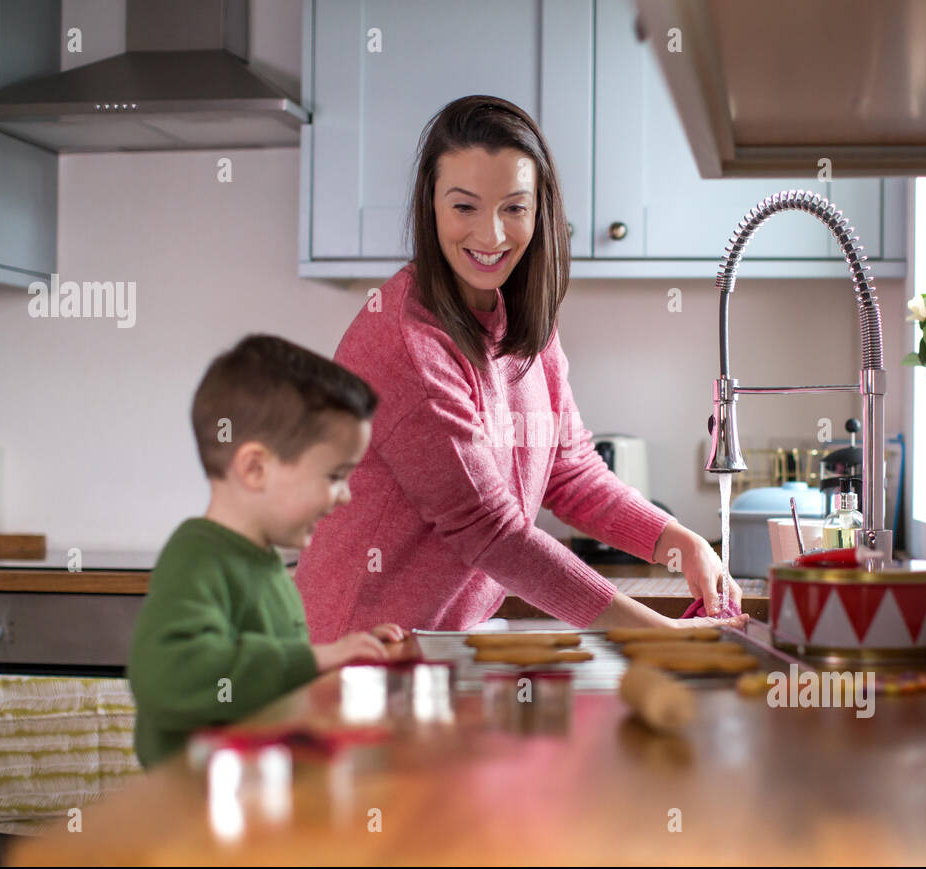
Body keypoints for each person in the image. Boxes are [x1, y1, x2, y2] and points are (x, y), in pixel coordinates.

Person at [296, 95, 747, 644]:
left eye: (513, 207)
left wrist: (683, 544)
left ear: (540, 210)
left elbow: (571, 471)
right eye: (465, 207)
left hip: (440, 649)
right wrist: (660, 636)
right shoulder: (406, 343)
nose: (491, 236)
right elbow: (492, 535)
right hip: (353, 657)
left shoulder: (522, 324)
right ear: (430, 206)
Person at [129, 334, 403, 767]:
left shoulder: (262, 560)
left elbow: (260, 682)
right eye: (335, 475)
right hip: (196, 815)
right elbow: (168, 676)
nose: (345, 496)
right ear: (255, 468)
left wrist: (342, 659)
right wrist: (317, 659)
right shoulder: (198, 558)